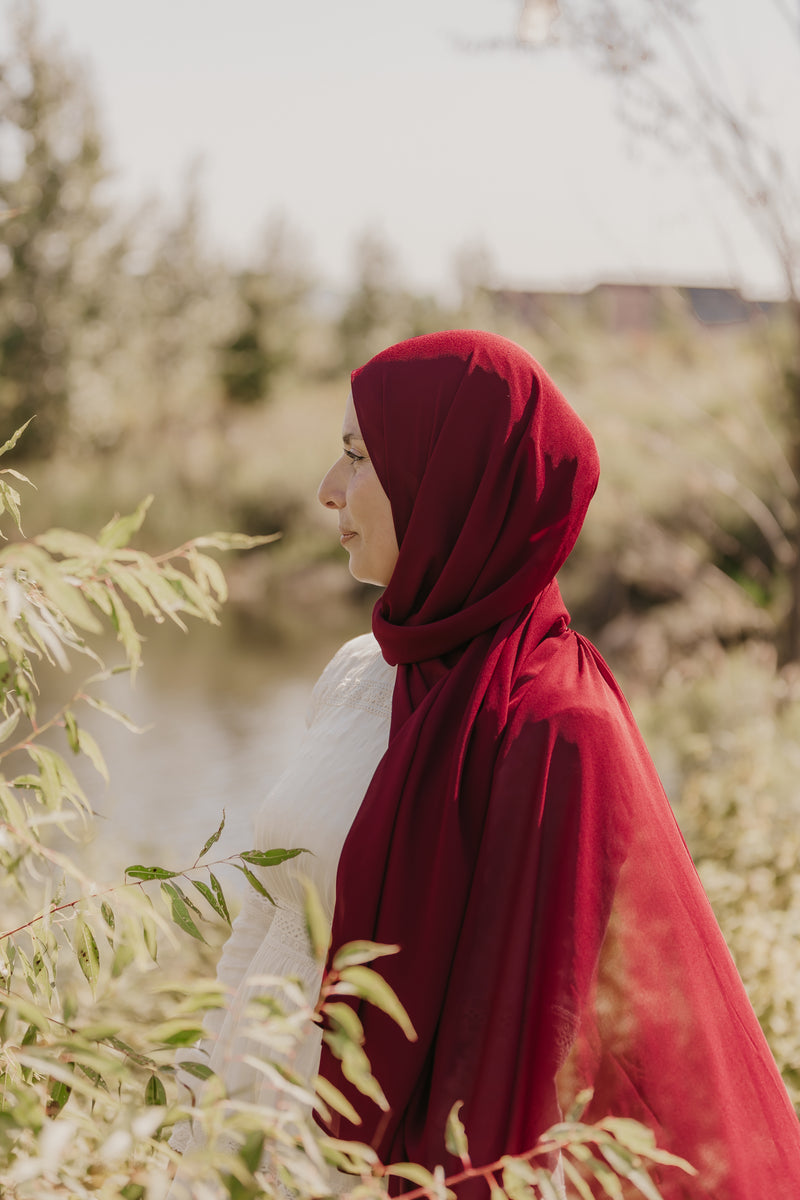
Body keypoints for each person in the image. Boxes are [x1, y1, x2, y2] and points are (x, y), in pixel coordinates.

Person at [174, 331, 800, 1198]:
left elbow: (531, 1030)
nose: (327, 489)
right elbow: (268, 912)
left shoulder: (558, 728)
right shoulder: (361, 674)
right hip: (246, 1129)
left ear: (451, 483)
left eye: (358, 456)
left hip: (372, 1165)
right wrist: (194, 1098)